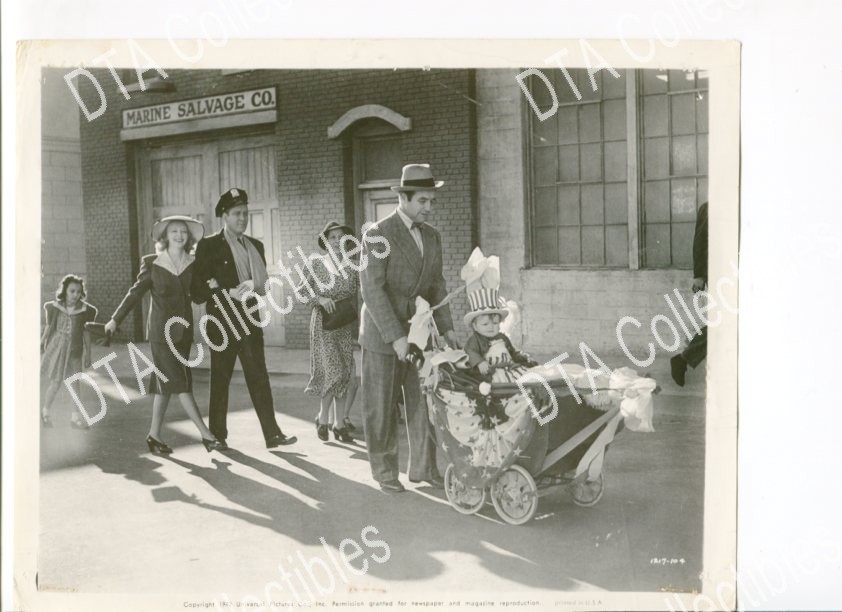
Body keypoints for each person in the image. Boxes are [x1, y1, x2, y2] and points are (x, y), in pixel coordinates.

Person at [358, 163, 459, 493]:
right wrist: (396, 337)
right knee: (381, 407)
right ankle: (385, 472)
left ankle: (424, 468)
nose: (429, 208)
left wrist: (448, 329)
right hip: (383, 334)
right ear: (403, 198)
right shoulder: (378, 234)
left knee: (424, 402)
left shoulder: (432, 236)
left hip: (420, 332)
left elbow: (437, 285)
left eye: (431, 201)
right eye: (422, 201)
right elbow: (372, 290)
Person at [105, 217, 223, 453]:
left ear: (189, 237)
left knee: (166, 384)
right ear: (165, 237)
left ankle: (154, 436)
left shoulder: (193, 263)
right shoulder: (152, 263)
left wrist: (212, 288)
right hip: (161, 334)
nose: (179, 235)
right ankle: (206, 435)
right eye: (174, 232)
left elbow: (197, 296)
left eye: (183, 232)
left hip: (183, 332)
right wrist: (115, 319)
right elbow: (135, 293)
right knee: (181, 382)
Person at [191, 188, 297, 449]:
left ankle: (272, 434)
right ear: (224, 216)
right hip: (221, 323)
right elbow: (197, 290)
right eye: (237, 213)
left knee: (259, 377)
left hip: (249, 321)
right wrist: (224, 290)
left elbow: (263, 285)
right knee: (221, 379)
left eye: (245, 214)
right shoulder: (209, 245)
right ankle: (217, 436)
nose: (242, 218)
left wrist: (251, 284)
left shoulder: (255, 246)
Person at [303, 221, 359, 443]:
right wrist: (320, 298)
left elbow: (363, 289)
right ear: (326, 241)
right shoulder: (315, 263)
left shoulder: (352, 265)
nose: (337, 241)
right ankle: (324, 418)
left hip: (343, 324)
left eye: (341, 237)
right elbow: (301, 291)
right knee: (332, 371)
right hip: (323, 324)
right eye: (332, 237)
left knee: (344, 372)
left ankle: (338, 423)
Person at [40, 274, 98, 429]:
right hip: (59, 349)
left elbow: (86, 332)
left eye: (78, 292)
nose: (75, 295)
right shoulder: (56, 307)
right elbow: (49, 326)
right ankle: (45, 412)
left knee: (75, 383)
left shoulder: (84, 310)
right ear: (64, 290)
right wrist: (42, 341)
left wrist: (88, 353)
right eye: (72, 291)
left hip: (75, 351)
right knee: (56, 382)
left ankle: (75, 418)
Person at [671, 201, 708, 387]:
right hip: (720, 273)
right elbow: (700, 241)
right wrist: (699, 274)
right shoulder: (711, 207)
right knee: (723, 325)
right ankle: (684, 357)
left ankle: (685, 356)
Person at [464, 308, 537, 385]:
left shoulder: (502, 337)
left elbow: (511, 351)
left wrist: (519, 356)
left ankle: (528, 383)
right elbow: (469, 350)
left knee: (524, 373)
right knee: (501, 379)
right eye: (485, 324)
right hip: (492, 370)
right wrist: (480, 362)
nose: (491, 327)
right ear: (475, 326)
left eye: (495, 323)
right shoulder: (475, 339)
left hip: (509, 366)